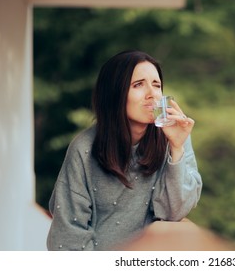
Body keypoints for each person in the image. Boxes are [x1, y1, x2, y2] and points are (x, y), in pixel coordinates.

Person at [46, 50, 203, 251]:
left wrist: (177, 148)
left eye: (156, 85)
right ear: (114, 93)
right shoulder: (84, 148)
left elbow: (174, 214)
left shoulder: (173, 136)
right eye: (138, 85)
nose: (152, 94)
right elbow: (68, 234)